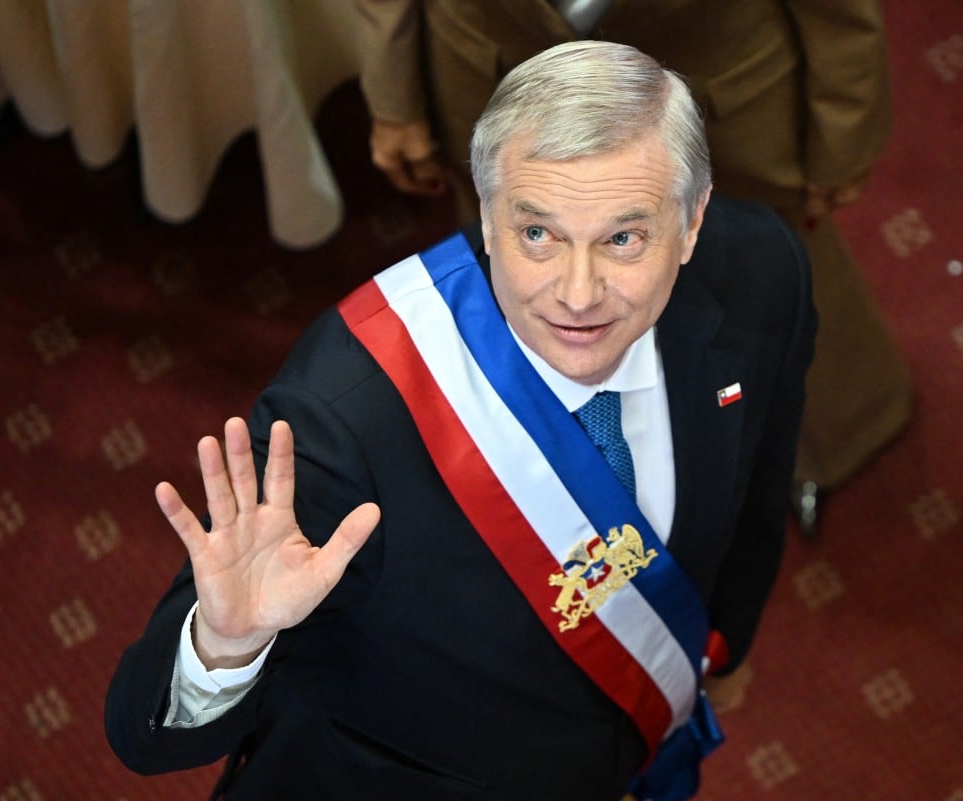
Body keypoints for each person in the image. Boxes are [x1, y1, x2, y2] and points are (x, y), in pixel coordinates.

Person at [105, 41, 815, 801]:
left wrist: (727, 653)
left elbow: (758, 492)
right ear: (485, 214)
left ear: (693, 220)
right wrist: (225, 644)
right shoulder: (347, 416)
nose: (578, 294)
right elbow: (140, 738)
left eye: (622, 238)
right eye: (537, 234)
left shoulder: (757, 274)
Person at [355, 0, 910, 534]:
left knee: (773, 271)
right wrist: (393, 95)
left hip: (720, 84)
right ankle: (573, 447)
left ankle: (829, 442)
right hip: (493, 60)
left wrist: (845, 132)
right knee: (532, 281)